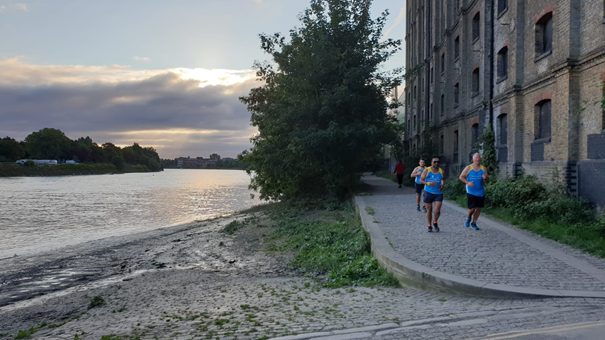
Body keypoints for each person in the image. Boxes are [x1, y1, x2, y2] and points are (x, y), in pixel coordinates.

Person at [458, 152, 489, 231]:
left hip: (480, 191)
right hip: (471, 191)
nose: (478, 159)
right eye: (476, 158)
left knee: (478, 208)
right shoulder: (468, 168)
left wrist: (485, 178)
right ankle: (468, 218)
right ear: (473, 159)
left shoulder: (483, 168)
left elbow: (487, 181)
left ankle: (474, 223)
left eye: (479, 157)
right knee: (472, 208)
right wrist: (468, 182)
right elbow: (461, 177)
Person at [420, 157, 445, 232]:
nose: (436, 163)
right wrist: (428, 183)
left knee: (437, 210)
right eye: (434, 162)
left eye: (438, 162)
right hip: (428, 192)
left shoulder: (441, 171)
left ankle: (435, 222)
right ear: (431, 163)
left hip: (438, 193)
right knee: (429, 210)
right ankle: (429, 225)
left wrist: (442, 185)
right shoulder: (427, 170)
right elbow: (421, 180)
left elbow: (443, 179)